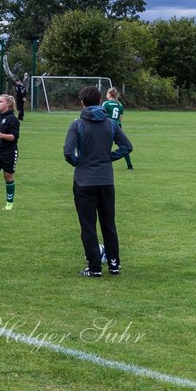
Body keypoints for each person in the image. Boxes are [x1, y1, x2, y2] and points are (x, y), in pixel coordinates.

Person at [64, 85, 133, 277]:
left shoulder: (77, 124)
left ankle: (94, 267)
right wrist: (108, 157)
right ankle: (114, 264)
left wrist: (80, 162)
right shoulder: (110, 124)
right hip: (105, 181)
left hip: (84, 181)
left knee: (88, 224)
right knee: (108, 223)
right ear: (100, 101)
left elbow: (68, 153)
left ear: (82, 103)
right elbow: (127, 146)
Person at [0, 93, 21, 209]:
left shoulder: (12, 119)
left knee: (8, 177)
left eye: (1, 101)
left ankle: (9, 203)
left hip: (9, 152)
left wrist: (2, 135)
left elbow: (14, 137)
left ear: (8, 104)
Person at [102, 87, 133, 169]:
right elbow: (120, 119)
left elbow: (101, 115)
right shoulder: (120, 105)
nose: (106, 95)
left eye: (107, 93)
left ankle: (104, 162)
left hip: (108, 127)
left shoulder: (106, 104)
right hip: (118, 127)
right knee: (124, 146)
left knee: (106, 145)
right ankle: (130, 165)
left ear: (109, 94)